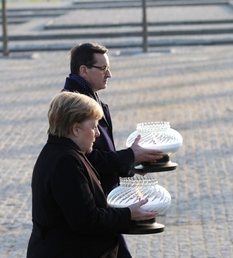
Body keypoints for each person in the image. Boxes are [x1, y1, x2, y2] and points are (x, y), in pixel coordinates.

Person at [61, 42, 163, 258]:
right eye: (103, 68)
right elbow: (85, 160)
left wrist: (133, 164)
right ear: (84, 70)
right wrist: (129, 156)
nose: (109, 74)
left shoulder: (93, 101)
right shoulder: (74, 107)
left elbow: (102, 156)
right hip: (95, 209)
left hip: (104, 207)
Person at [27, 92, 157, 258]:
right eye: (94, 126)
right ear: (76, 129)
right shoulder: (66, 161)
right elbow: (86, 220)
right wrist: (128, 213)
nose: (98, 134)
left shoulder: (63, 152)